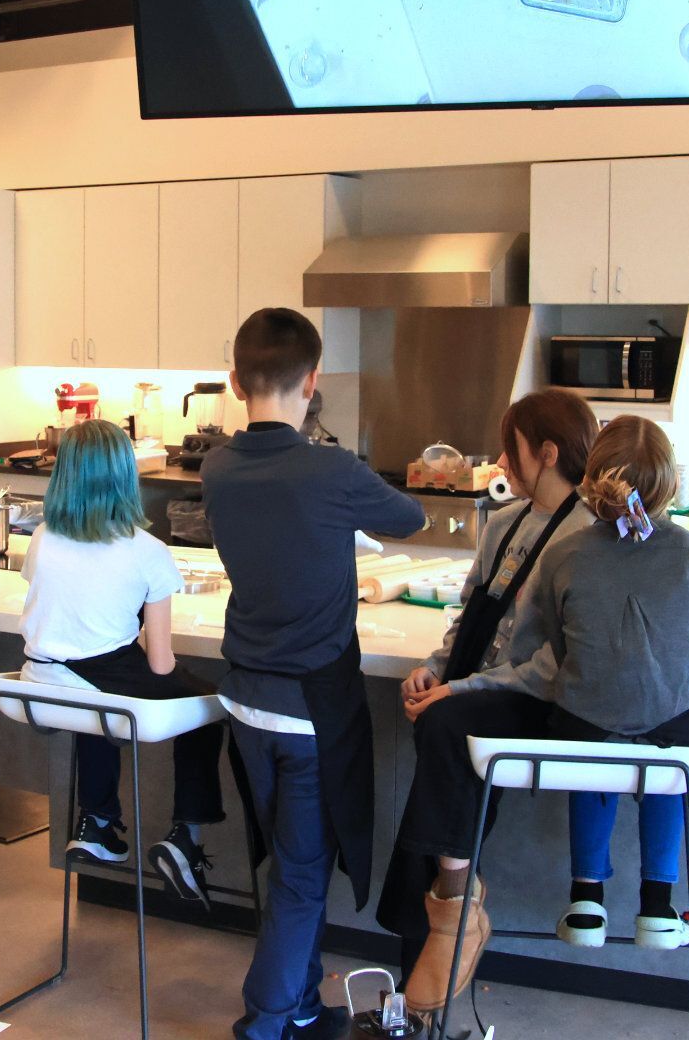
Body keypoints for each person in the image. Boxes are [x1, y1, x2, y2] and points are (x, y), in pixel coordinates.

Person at [203, 308, 428, 1040]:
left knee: (282, 862)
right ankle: (265, 1022)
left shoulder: (218, 464)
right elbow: (411, 517)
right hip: (310, 711)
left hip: (244, 701)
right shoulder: (333, 470)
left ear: (236, 382)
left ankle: (299, 999)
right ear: (315, 380)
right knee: (303, 874)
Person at [379, 389, 600, 1014]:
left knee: (448, 728)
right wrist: (432, 670)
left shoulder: (589, 539)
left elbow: (555, 664)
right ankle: (445, 922)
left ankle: (446, 917)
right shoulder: (504, 524)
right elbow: (466, 622)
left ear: (548, 453)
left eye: (513, 450)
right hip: (473, 695)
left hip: (533, 702)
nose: (501, 463)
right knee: (443, 734)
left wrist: (461, 689)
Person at [517, 417, 689, 956]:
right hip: (677, 732)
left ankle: (585, 896)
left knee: (591, 735)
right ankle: (658, 905)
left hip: (582, 726)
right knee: (671, 756)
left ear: (590, 478)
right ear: (672, 484)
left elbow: (558, 652)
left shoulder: (562, 556)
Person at [17, 419, 224, 904]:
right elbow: (159, 663)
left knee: (99, 698)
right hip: (94, 682)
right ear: (124, 475)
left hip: (37, 679)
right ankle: (185, 839)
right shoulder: (148, 552)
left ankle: (98, 822)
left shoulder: (44, 537)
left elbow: (64, 615)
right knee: (205, 708)